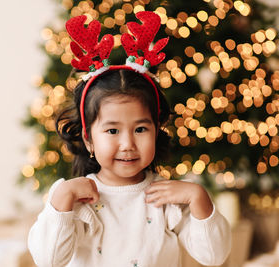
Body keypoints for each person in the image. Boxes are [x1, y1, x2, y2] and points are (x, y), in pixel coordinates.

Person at [28, 11, 231, 267]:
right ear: (89, 139)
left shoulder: (166, 198)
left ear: (157, 131)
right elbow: (49, 260)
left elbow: (214, 256)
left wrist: (199, 198)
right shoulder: (75, 199)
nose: (128, 144)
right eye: (112, 131)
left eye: (140, 129)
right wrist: (61, 201)